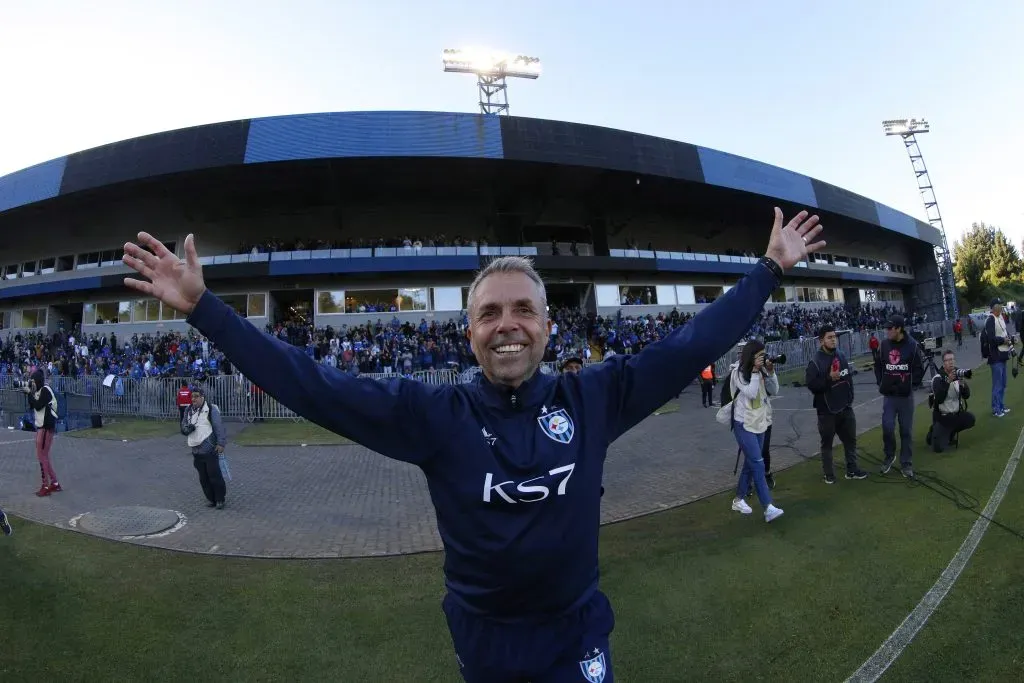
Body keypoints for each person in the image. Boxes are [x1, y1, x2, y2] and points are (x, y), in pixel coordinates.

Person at [123, 207, 825, 683]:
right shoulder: (434, 415)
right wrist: (208, 311)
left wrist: (769, 269)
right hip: (484, 639)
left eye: (524, 309)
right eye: (489, 313)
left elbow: (693, 342)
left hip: (576, 632)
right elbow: (311, 385)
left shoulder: (594, 396)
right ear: (470, 333)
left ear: (549, 327)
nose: (507, 324)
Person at [728, 341, 784, 522]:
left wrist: (771, 372)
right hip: (743, 423)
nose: (763, 358)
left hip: (760, 422)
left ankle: (739, 499)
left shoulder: (760, 371)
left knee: (750, 463)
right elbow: (751, 393)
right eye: (760, 355)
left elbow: (774, 390)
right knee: (758, 463)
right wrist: (754, 372)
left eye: (764, 355)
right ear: (751, 356)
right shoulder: (738, 372)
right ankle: (768, 507)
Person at [805, 324, 868, 484]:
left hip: (845, 407)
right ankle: (829, 473)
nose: (834, 340)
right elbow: (812, 385)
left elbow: (848, 378)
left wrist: (850, 398)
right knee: (827, 444)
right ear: (821, 341)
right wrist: (828, 379)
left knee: (850, 440)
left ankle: (852, 469)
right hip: (826, 411)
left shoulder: (840, 355)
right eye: (829, 337)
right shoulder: (815, 362)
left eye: (834, 337)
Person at [873, 314, 922, 478]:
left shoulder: (913, 346)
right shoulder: (884, 345)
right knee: (887, 427)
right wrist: (881, 382)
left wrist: (910, 386)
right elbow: (878, 365)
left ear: (899, 329)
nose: (887, 331)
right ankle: (889, 455)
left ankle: (906, 463)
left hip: (905, 397)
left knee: (906, 430)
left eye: (890, 328)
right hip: (889, 396)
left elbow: (918, 370)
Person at [181, 386, 228, 509]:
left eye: (196, 396)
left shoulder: (211, 409)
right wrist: (186, 429)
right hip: (196, 451)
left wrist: (221, 443)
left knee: (214, 475)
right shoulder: (188, 410)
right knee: (203, 478)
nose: (193, 399)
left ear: (202, 397)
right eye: (192, 396)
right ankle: (211, 499)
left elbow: (219, 427)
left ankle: (220, 499)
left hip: (210, 449)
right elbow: (183, 425)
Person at [20, 368, 62, 497]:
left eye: (33, 381)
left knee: (41, 456)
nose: (32, 383)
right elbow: (32, 405)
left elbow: (38, 405)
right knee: (44, 456)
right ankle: (55, 483)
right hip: (42, 426)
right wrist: (29, 393)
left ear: (37, 381)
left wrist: (29, 394)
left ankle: (45, 485)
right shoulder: (38, 390)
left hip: (45, 426)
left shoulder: (45, 390)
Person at [928, 349, 977, 452]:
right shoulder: (938, 378)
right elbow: (940, 399)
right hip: (942, 417)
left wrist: (963, 385)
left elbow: (967, 396)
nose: (951, 362)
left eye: (952, 359)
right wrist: (948, 381)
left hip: (956, 414)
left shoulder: (958, 373)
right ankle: (933, 431)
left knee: (970, 419)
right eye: (948, 360)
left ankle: (951, 432)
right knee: (938, 449)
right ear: (943, 363)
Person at [983, 298, 1013, 418]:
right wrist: (1003, 340)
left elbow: (1004, 333)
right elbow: (991, 339)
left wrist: (1010, 338)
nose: (1001, 307)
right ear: (994, 307)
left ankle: (1001, 405)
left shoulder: (1000, 317)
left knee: (1003, 383)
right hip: (995, 356)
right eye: (999, 305)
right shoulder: (990, 320)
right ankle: (996, 409)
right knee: (997, 384)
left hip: (1003, 354)